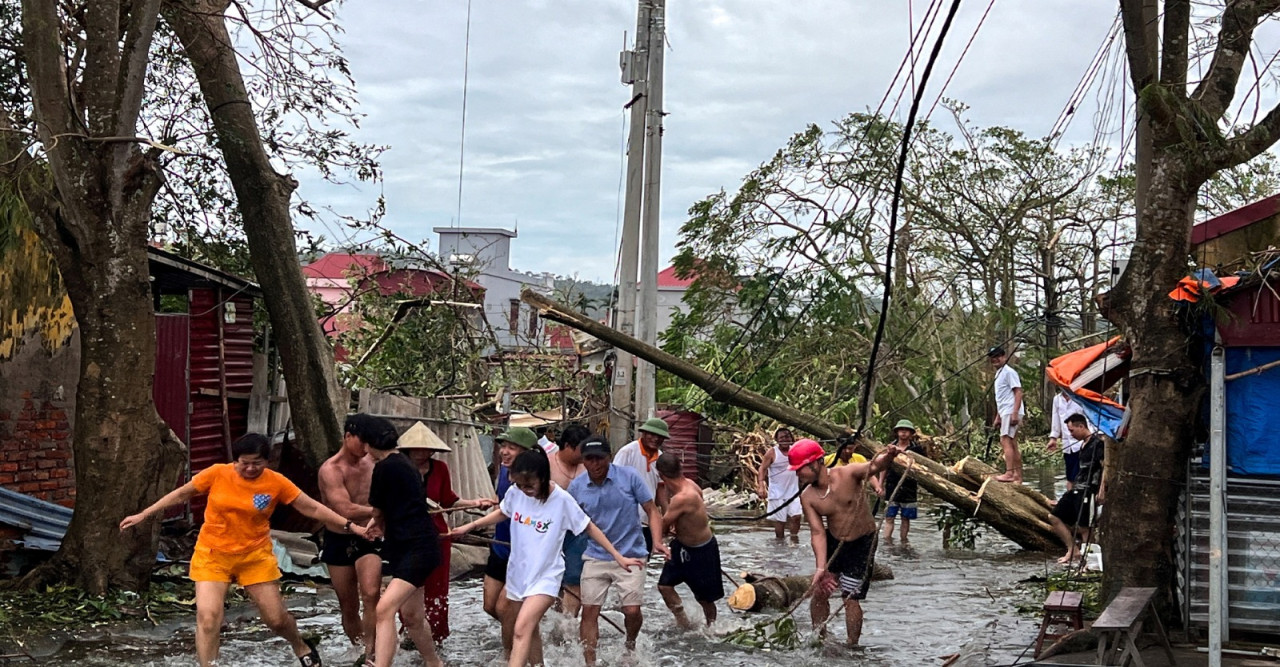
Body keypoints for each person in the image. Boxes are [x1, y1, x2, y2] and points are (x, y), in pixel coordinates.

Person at [120, 433, 368, 667]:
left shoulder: (276, 482)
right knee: (208, 619)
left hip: (255, 557)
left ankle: (300, 645)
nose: (250, 469)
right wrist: (144, 514)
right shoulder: (217, 473)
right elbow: (181, 494)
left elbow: (312, 508)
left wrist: (350, 525)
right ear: (235, 460)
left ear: (267, 461)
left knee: (276, 619)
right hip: (212, 555)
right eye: (244, 463)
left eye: (256, 463)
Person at [451, 447, 645, 667]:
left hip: (546, 577)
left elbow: (589, 526)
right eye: (520, 485)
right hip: (518, 574)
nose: (525, 490)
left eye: (530, 485)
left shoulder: (561, 500)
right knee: (530, 629)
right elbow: (504, 511)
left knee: (521, 629)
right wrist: (470, 525)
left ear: (543, 478)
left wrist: (618, 556)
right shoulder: (516, 492)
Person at [791, 437, 904, 646]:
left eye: (801, 469)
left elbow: (875, 465)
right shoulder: (808, 496)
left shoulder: (847, 473)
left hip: (863, 542)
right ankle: (818, 637)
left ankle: (852, 645)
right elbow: (817, 532)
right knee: (820, 591)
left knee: (849, 597)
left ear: (817, 463)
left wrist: (889, 455)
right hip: (834, 540)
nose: (798, 474)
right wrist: (820, 567)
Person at [569, 437, 668, 666]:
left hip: (632, 552)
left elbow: (651, 510)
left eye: (600, 458)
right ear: (583, 461)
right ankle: (589, 662)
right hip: (595, 555)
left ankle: (630, 643)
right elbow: (568, 521)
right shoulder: (577, 487)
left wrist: (657, 541)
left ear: (609, 457)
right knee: (589, 611)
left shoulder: (629, 477)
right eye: (589, 459)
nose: (595, 464)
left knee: (632, 611)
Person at [399, 421, 496, 644]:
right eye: (419, 448)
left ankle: (436, 634)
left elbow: (449, 500)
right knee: (408, 586)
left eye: (428, 449)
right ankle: (410, 631)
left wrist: (474, 503)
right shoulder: (398, 469)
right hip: (408, 536)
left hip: (437, 535)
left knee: (437, 586)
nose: (424, 453)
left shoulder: (440, 469)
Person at [363, 417, 445, 667]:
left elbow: (377, 509)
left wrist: (374, 522)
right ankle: (434, 663)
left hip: (415, 548)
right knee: (411, 616)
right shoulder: (405, 464)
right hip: (412, 546)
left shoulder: (385, 467)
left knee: (384, 609)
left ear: (368, 444)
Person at [317, 413, 382, 661]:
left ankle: (372, 652)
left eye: (369, 443)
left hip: (370, 537)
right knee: (348, 603)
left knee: (371, 593)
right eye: (362, 442)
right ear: (347, 436)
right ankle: (358, 647)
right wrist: (381, 510)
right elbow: (344, 509)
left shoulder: (374, 463)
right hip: (339, 537)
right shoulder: (330, 469)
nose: (366, 448)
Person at [483, 426, 538, 658]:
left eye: (512, 448)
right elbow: (505, 505)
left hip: (521, 555)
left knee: (504, 608)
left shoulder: (534, 482)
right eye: (503, 446)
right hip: (500, 546)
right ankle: (526, 631)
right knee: (490, 606)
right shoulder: (504, 472)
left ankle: (511, 656)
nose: (504, 452)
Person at [654, 453, 723, 629]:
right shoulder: (689, 484)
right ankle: (682, 621)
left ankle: (711, 628)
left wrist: (659, 536)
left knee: (704, 598)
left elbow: (663, 523)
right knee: (664, 586)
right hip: (682, 546)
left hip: (701, 550)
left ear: (661, 474)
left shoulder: (683, 496)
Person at [1049, 414, 1106, 565]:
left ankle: (1089, 562)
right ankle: (1072, 549)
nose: (1071, 434)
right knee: (1054, 517)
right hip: (1077, 488)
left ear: (1082, 426)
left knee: (1085, 527)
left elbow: (1104, 467)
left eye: (1072, 430)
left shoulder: (1097, 444)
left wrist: (1102, 490)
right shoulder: (1082, 445)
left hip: (1089, 489)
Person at [549, 423, 591, 617]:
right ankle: (554, 617)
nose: (585, 456)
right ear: (567, 446)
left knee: (574, 578)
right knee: (551, 579)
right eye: (581, 451)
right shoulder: (548, 464)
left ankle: (568, 623)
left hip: (579, 531)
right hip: (551, 529)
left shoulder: (589, 466)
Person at [612, 417, 669, 551]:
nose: (655, 439)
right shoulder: (627, 452)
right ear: (644, 434)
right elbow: (614, 483)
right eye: (652, 434)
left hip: (648, 520)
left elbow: (661, 489)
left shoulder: (660, 458)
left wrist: (667, 516)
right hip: (626, 521)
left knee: (644, 557)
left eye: (660, 436)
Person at [879, 420, 924, 542]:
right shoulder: (890, 447)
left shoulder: (917, 449)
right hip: (892, 486)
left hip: (909, 487)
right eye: (901, 430)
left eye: (906, 430)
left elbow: (922, 469)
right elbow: (883, 467)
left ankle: (904, 541)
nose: (903, 432)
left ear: (911, 433)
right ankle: (887, 541)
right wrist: (880, 484)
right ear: (897, 432)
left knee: (906, 518)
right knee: (889, 517)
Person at [756, 427, 802, 540]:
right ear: (777, 439)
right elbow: (762, 469)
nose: (785, 439)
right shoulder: (772, 453)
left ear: (791, 438)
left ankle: (794, 540)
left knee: (796, 517)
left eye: (787, 437)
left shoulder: (795, 450)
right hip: (777, 492)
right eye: (782, 437)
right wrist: (761, 486)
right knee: (781, 521)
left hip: (793, 491)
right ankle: (780, 543)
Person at [988, 346, 1025, 483]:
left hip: (1011, 410)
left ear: (1004, 357)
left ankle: (1009, 473)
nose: (995, 359)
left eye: (998, 356)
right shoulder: (999, 374)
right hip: (1005, 411)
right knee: (1012, 442)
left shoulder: (1009, 372)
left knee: (1005, 440)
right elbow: (1002, 397)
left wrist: (1014, 413)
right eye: (993, 357)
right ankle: (1017, 476)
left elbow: (1018, 392)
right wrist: (998, 417)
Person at [1048, 389, 1089, 491]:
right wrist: (1053, 438)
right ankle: (1069, 500)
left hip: (1081, 442)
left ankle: (1080, 501)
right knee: (1070, 476)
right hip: (1067, 443)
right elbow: (1056, 418)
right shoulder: (1057, 399)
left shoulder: (1080, 395)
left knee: (1082, 474)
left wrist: (1090, 437)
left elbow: (1088, 417)